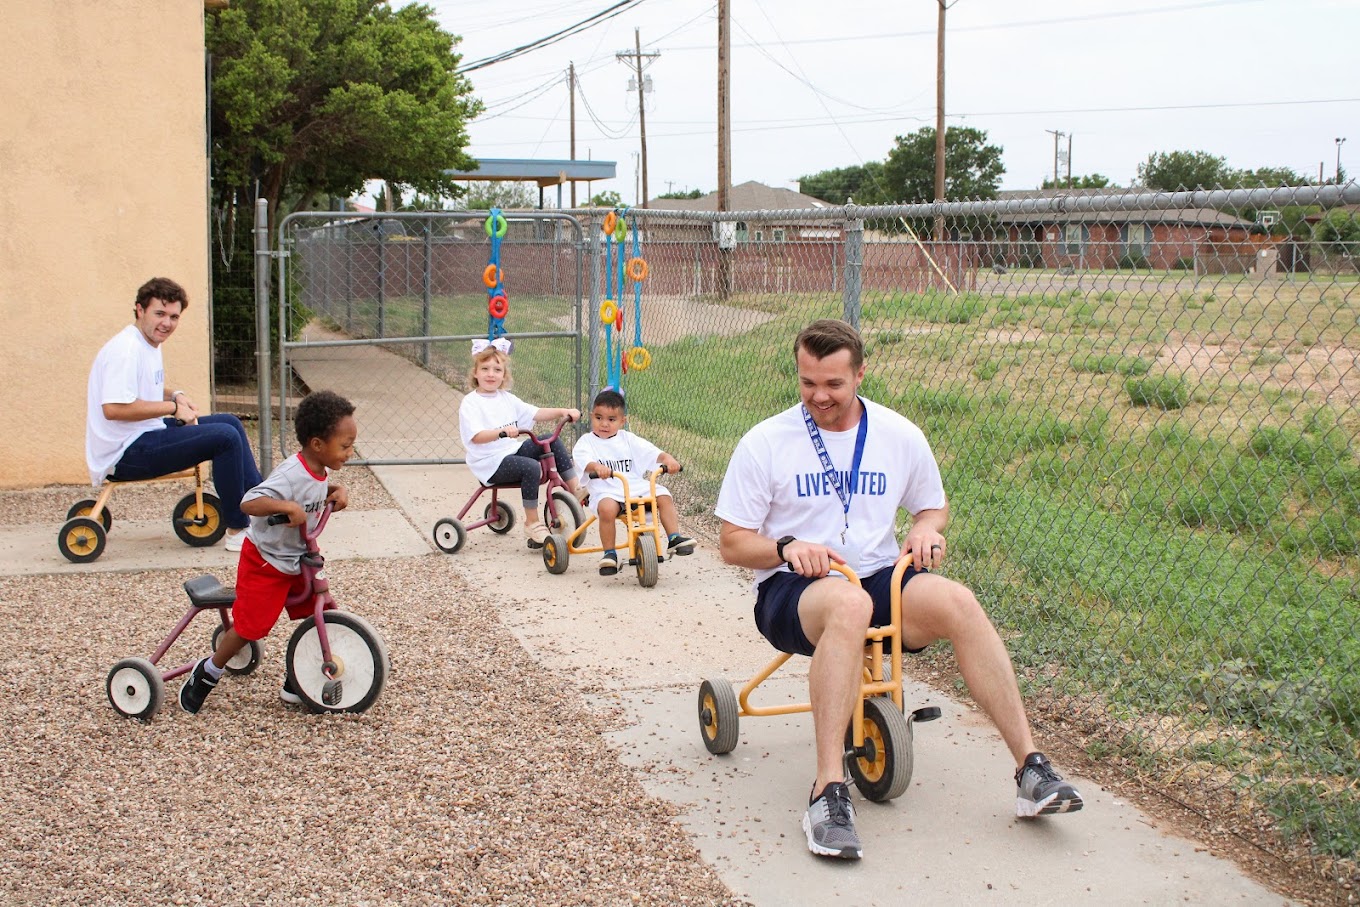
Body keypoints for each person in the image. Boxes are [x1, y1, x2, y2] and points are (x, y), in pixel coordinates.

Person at [714, 318, 1083, 862]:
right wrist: (787, 546)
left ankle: (1031, 767)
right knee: (850, 603)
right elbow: (731, 542)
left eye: (834, 384)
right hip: (797, 585)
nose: (819, 396)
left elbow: (933, 505)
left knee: (958, 601)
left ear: (861, 373)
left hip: (880, 573)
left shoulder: (898, 434)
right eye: (807, 382)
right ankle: (827, 791)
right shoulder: (765, 441)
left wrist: (926, 528)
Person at [179, 390, 357, 714]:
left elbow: (318, 487)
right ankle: (209, 670)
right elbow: (249, 501)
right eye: (344, 446)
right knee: (251, 627)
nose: (350, 452)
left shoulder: (320, 468)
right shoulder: (291, 473)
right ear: (317, 444)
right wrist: (286, 505)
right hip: (267, 561)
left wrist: (337, 490)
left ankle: (297, 680)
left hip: (298, 559)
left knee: (321, 612)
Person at [86, 277, 263, 552]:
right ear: (139, 310)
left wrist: (175, 395)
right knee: (224, 437)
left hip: (143, 435)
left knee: (229, 422)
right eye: (159, 314)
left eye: (173, 316)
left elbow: (142, 389)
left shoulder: (146, 343)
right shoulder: (126, 350)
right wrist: (172, 408)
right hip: (124, 453)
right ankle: (238, 529)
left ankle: (263, 505)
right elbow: (114, 408)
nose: (166, 323)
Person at [457, 337, 585, 549]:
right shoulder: (471, 403)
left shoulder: (506, 398)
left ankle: (575, 488)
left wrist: (563, 411)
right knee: (531, 467)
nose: (491, 374)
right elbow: (476, 436)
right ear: (475, 373)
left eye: (497, 370)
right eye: (485, 368)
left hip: (510, 451)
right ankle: (532, 522)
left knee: (547, 440)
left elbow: (535, 412)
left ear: (504, 375)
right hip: (488, 462)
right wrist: (502, 432)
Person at [571, 389, 696, 575]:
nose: (604, 424)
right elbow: (583, 460)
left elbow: (652, 452)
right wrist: (596, 467)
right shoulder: (587, 441)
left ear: (622, 421)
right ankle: (610, 554)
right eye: (599, 418)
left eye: (611, 420)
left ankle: (674, 538)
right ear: (591, 417)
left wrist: (667, 459)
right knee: (606, 508)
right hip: (607, 489)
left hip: (634, 487)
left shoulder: (628, 440)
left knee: (663, 495)